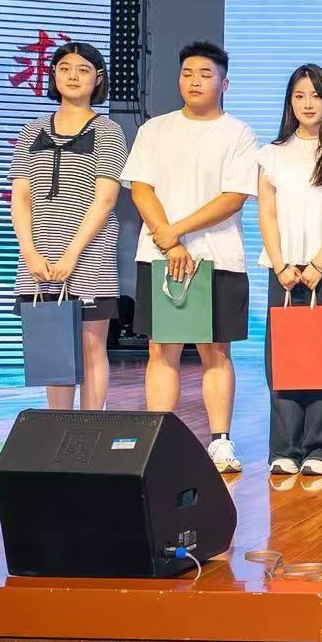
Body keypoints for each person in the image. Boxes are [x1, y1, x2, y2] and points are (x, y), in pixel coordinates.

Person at [122, 41, 259, 472]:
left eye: (205, 74)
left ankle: (220, 442)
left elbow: (233, 197)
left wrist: (175, 230)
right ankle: (158, 441)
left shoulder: (238, 133)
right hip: (161, 257)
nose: (195, 81)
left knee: (215, 352)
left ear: (224, 83)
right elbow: (141, 188)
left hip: (218, 258)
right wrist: (169, 242)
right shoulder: (155, 129)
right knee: (161, 350)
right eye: (187, 73)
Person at [9, 40, 126, 411]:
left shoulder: (108, 131)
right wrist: (29, 253)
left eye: (83, 70)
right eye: (65, 68)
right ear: (53, 75)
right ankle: (58, 429)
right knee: (54, 346)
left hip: (89, 256)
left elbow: (105, 200)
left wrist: (72, 254)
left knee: (91, 346)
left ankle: (90, 431)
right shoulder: (32, 130)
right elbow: (20, 197)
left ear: (98, 79)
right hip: (39, 258)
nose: (73, 76)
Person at [257, 63, 322, 477]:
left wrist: (318, 261)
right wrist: (281, 264)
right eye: (299, 96)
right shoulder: (272, 153)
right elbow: (267, 213)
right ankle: (286, 447)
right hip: (284, 271)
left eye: (315, 95)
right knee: (285, 359)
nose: (307, 104)